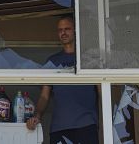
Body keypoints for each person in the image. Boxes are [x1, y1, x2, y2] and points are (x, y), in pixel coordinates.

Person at [26, 16, 100, 144]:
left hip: (87, 125)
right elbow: (44, 96)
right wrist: (36, 116)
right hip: (59, 127)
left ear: (75, 31)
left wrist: (106, 122)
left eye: (67, 29)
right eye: (60, 30)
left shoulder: (89, 60)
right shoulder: (53, 61)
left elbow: (102, 92)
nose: (63, 33)